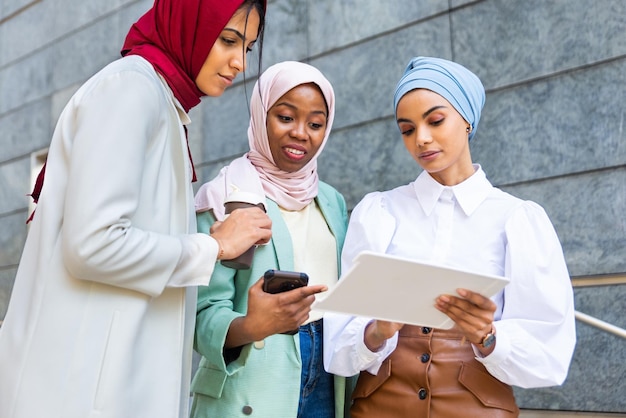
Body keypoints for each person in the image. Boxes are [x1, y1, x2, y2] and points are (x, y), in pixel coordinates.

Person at [0, 1, 270, 417]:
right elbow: (94, 244)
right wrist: (211, 247)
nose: (238, 62)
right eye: (229, 40)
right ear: (188, 21)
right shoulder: (131, 90)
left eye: (248, 48)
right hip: (82, 391)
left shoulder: (161, 100)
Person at [323, 56, 576, 417]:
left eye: (435, 120)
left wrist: (488, 337)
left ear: (468, 119)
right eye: (407, 129)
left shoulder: (516, 218)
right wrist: (377, 331)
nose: (421, 139)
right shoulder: (379, 212)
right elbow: (338, 342)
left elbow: (550, 352)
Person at [191, 61, 353, 418]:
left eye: (315, 124)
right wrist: (252, 326)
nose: (300, 133)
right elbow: (199, 317)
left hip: (328, 375)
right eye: (285, 117)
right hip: (250, 378)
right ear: (261, 116)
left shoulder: (331, 201)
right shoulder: (222, 197)